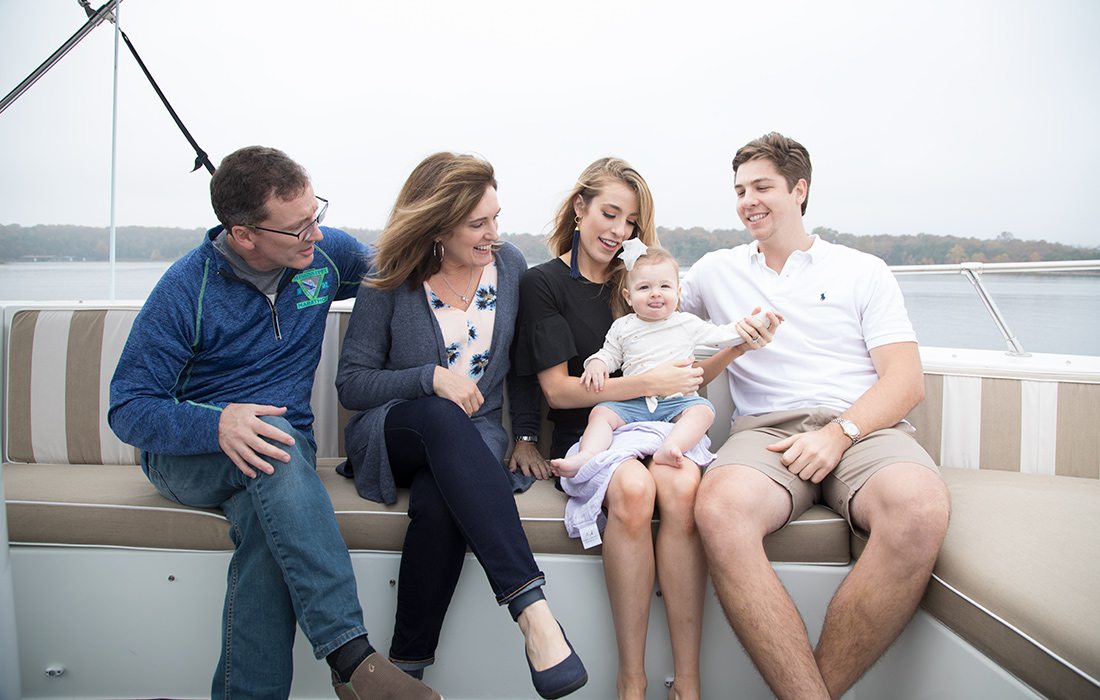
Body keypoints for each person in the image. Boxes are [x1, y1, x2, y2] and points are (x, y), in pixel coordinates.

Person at [108, 146, 440, 699]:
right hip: (188, 456)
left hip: (280, 455)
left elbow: (397, 265)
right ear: (244, 236)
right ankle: (351, 656)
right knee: (277, 447)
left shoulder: (325, 254)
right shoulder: (184, 291)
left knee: (268, 524)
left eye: (317, 215)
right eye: (297, 227)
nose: (315, 233)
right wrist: (217, 424)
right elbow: (128, 407)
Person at [682, 132, 952, 699]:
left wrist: (840, 432)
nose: (747, 201)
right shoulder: (714, 272)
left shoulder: (862, 269)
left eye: (762, 187)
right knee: (721, 508)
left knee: (921, 509)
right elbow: (661, 337)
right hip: (767, 432)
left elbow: (905, 380)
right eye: (739, 190)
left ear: (799, 190)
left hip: (862, 426)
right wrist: (732, 346)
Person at [511, 157, 774, 700]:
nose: (617, 230)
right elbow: (559, 392)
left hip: (664, 424)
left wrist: (738, 343)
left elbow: (688, 371)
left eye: (629, 222)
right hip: (592, 430)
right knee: (632, 491)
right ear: (580, 208)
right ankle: (632, 679)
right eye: (609, 213)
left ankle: (688, 678)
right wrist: (643, 382)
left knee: (681, 488)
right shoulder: (544, 284)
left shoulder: (641, 282)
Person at [335, 152, 588, 700]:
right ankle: (534, 614)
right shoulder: (389, 278)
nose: (494, 234)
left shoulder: (510, 265)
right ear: (437, 226)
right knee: (438, 414)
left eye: (496, 217)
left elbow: (520, 363)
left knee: (438, 501)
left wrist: (524, 434)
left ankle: (405, 671)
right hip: (394, 432)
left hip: (473, 439)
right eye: (478, 224)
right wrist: (430, 377)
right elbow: (352, 384)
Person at [550, 241, 778, 477]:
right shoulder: (623, 326)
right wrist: (597, 364)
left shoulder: (686, 323)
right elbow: (609, 354)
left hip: (676, 402)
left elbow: (723, 335)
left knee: (702, 410)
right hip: (633, 401)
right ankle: (587, 455)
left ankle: (673, 446)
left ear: (678, 293)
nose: (655, 293)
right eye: (644, 287)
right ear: (628, 296)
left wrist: (758, 322)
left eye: (665, 286)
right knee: (601, 413)